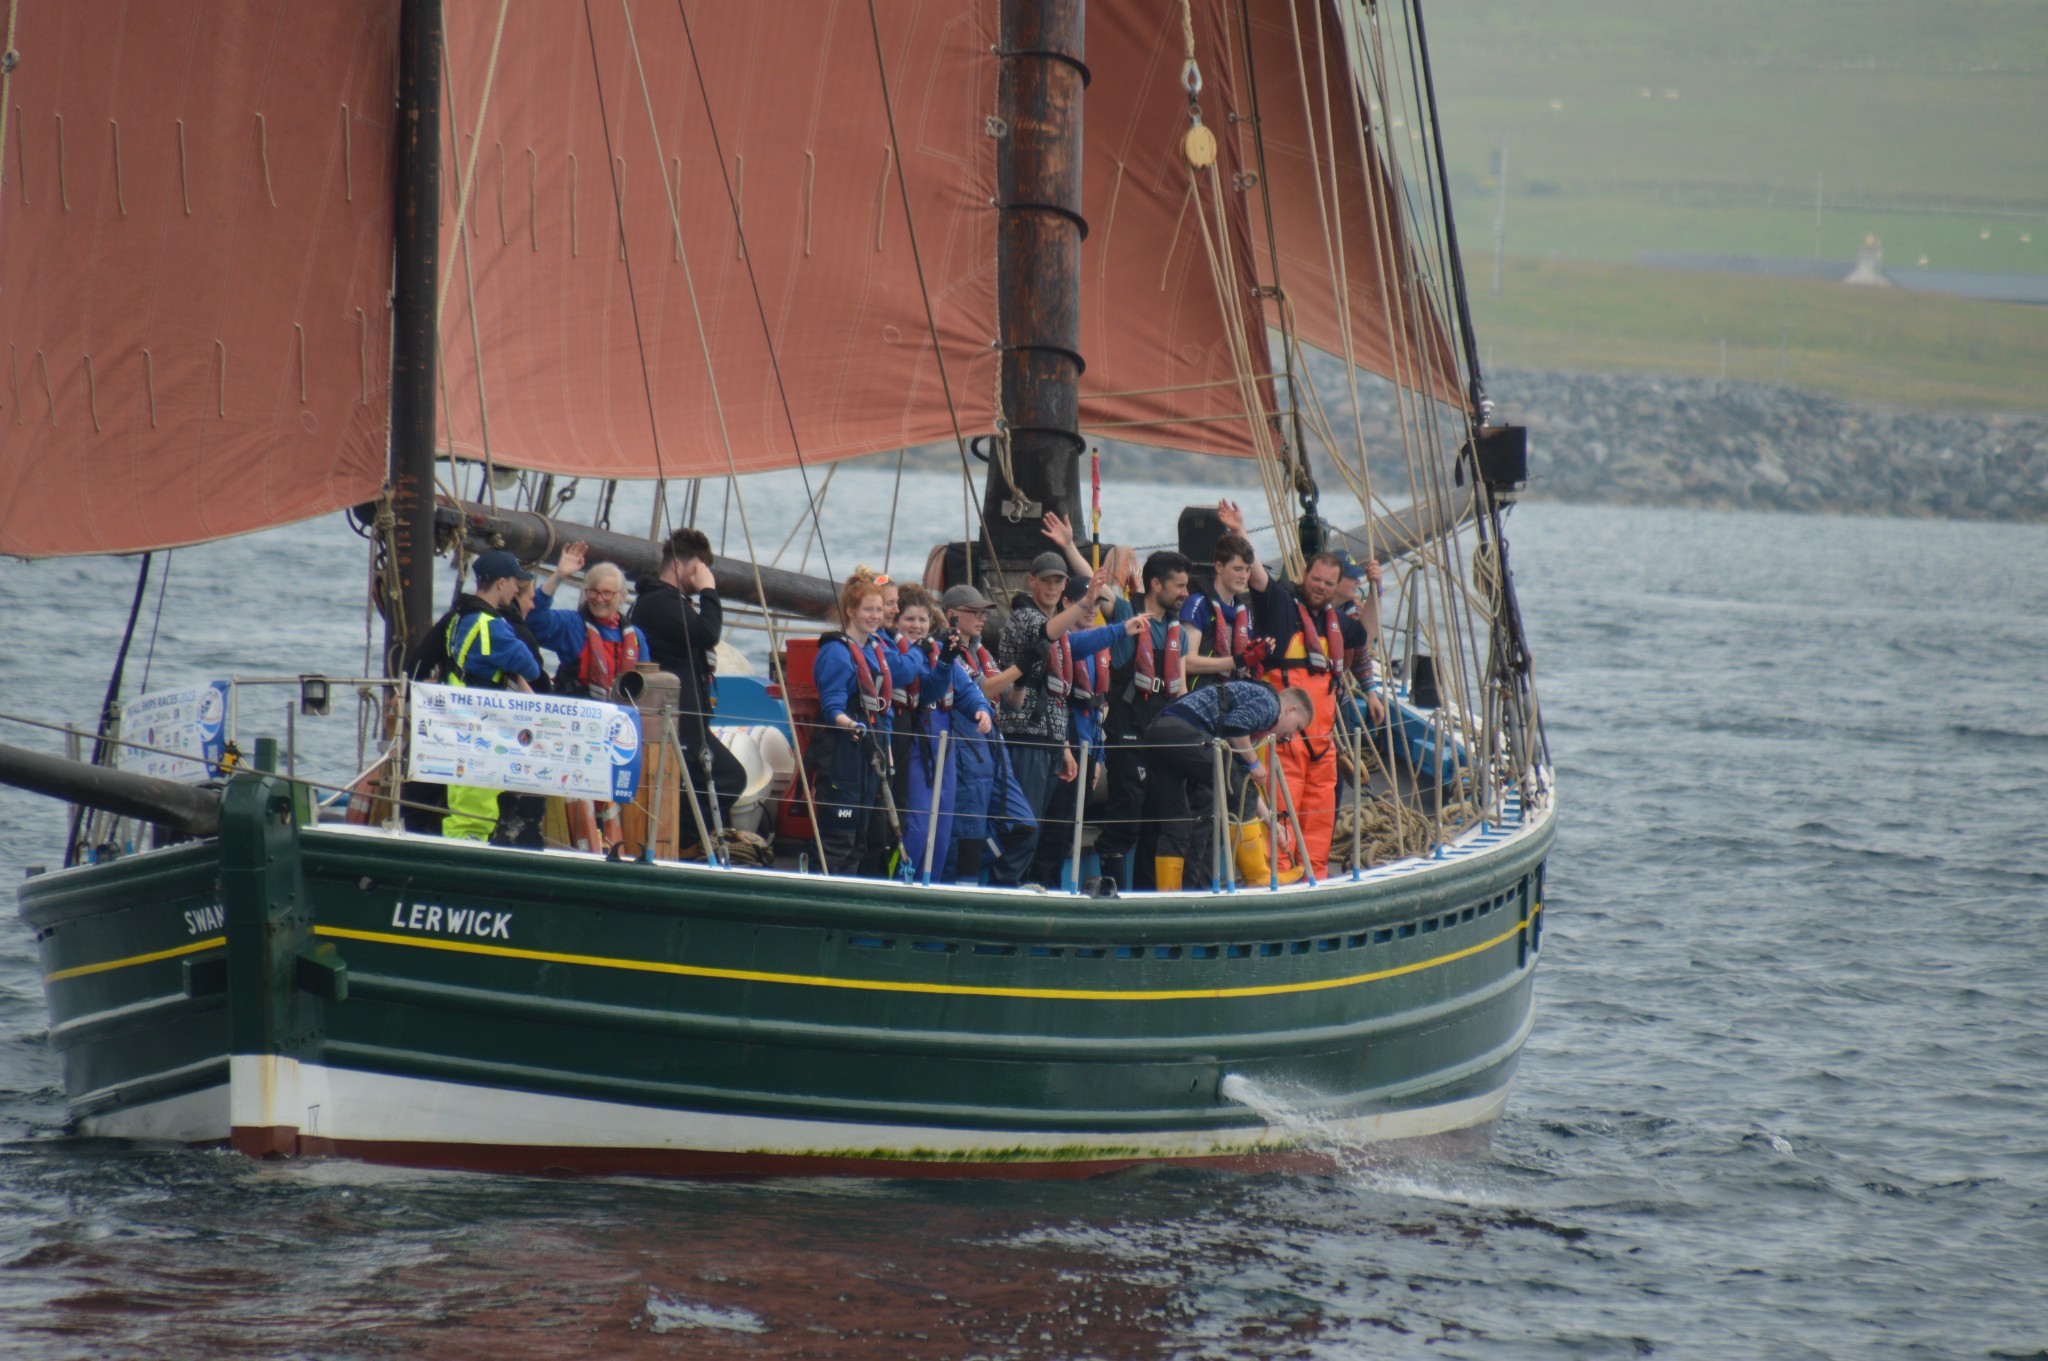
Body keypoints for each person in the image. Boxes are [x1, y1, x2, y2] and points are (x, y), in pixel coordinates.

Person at [989, 545, 1121, 888]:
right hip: (1025, 737)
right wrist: (1086, 601)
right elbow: (1048, 635)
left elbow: (1070, 650)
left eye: (1058, 581)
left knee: (1047, 827)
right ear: (1032, 581)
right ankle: (1006, 890)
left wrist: (1062, 744)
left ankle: (1032, 889)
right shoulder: (1026, 618)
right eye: (1046, 581)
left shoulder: (1055, 625)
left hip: (1048, 740)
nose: (1052, 587)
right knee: (1025, 825)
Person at [1250, 547, 1386, 878]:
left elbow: (1367, 633)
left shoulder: (1336, 622)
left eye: (1328, 582)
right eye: (1315, 579)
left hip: (1322, 745)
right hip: (1282, 743)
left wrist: (1376, 589)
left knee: (1319, 824)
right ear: (1304, 576)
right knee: (1279, 824)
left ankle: (1315, 880)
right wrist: (1239, 530)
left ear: (1338, 586)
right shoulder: (1280, 607)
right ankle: (1279, 886)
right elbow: (1255, 575)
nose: (1320, 586)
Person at [404, 550, 544, 842]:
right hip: (478, 726)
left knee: (458, 793)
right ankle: (466, 850)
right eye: (515, 583)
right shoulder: (490, 626)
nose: (517, 589)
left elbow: (424, 656)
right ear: (501, 583)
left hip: (451, 719)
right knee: (475, 799)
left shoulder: (458, 617)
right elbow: (530, 667)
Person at [629, 528, 747, 847]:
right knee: (703, 784)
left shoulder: (675, 602)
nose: (703, 575)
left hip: (691, 721)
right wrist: (709, 591)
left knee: (728, 778)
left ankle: (694, 841)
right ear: (679, 566)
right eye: (699, 568)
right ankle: (686, 845)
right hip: (673, 721)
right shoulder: (658, 602)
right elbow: (708, 634)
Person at [809, 571, 929, 876]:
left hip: (871, 749)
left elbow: (883, 706)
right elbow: (832, 704)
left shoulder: (876, 650)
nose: (875, 616)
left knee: (863, 835)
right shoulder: (837, 652)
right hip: (843, 751)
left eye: (879, 610)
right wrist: (851, 726)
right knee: (840, 834)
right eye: (868, 610)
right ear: (851, 611)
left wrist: (885, 747)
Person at [1145, 681, 1316, 889]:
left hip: (1157, 734)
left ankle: (1170, 899)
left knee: (1176, 826)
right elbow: (1236, 728)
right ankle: (1258, 875)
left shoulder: (1254, 721)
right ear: (1290, 710)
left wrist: (1271, 822)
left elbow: (1244, 786)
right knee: (1232, 776)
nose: (1291, 736)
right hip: (1180, 730)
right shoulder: (1270, 705)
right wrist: (1254, 763)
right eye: (1297, 727)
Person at [892, 585, 996, 881]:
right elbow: (930, 689)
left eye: (922, 620)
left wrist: (982, 710)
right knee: (917, 826)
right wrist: (946, 662)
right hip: (916, 748)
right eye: (909, 619)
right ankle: (902, 883)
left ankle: (930, 886)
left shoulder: (939, 651)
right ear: (897, 622)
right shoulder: (899, 656)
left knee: (941, 829)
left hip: (944, 752)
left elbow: (966, 689)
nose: (916, 626)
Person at [936, 583, 1031, 884]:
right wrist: (1021, 665)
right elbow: (979, 689)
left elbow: (1012, 703)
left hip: (992, 748)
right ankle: (961, 890)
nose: (982, 617)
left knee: (1022, 824)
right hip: (966, 749)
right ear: (951, 615)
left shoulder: (981, 652)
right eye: (974, 612)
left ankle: (992, 880)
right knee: (966, 834)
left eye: (984, 612)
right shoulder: (947, 652)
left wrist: (1021, 680)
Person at [528, 541, 648, 699]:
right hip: (577, 717)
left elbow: (647, 686)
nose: (599, 599)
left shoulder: (636, 637)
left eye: (607, 593)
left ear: (622, 596)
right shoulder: (572, 625)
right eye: (593, 592)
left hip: (619, 718)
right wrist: (559, 575)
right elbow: (533, 620)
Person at [1180, 513, 1265, 686]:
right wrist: (1238, 661)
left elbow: (1242, 660)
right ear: (1219, 566)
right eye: (1237, 569)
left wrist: (1251, 663)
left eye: (1248, 570)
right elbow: (1188, 662)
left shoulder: (1244, 613)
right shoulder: (1197, 603)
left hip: (1230, 693)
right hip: (1201, 693)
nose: (1244, 576)